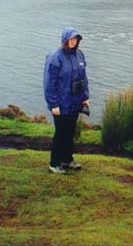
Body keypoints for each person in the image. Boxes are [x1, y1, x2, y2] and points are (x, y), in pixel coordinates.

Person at [43, 27, 90, 174]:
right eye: (70, 39)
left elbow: (84, 79)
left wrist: (85, 98)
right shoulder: (55, 57)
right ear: (65, 40)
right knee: (61, 133)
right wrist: (53, 104)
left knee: (70, 132)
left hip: (75, 103)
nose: (73, 41)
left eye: (75, 39)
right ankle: (54, 163)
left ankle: (67, 159)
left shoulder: (79, 55)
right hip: (61, 104)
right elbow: (49, 83)